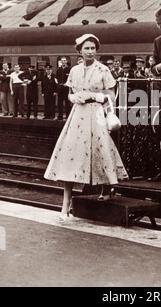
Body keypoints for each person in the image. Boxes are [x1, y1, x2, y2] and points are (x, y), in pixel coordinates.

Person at [44, 34, 128, 221]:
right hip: (78, 115)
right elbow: (70, 93)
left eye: (93, 48)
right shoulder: (74, 70)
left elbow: (112, 95)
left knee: (101, 149)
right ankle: (66, 203)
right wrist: (74, 97)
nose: (90, 51)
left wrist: (99, 97)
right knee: (71, 154)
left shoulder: (103, 69)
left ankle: (106, 187)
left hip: (96, 114)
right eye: (87, 48)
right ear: (80, 51)